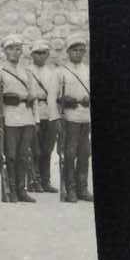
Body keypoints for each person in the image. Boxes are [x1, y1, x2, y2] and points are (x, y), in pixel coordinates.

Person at [0, 34, 41, 203]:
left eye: (18, 49)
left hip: (27, 118)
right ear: (4, 51)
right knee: (10, 155)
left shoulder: (27, 72)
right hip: (8, 118)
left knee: (24, 155)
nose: (15, 52)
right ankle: (10, 190)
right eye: (10, 49)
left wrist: (36, 119)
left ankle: (21, 190)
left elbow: (34, 97)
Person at [57, 33, 92, 203]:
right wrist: (57, 114)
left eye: (81, 50)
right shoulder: (61, 71)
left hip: (86, 117)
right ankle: (70, 189)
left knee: (85, 153)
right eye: (74, 50)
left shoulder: (87, 69)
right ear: (68, 52)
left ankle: (83, 188)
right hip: (69, 118)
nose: (78, 53)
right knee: (69, 154)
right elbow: (54, 97)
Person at [27, 39, 60, 193]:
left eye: (43, 53)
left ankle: (46, 181)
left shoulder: (53, 72)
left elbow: (57, 94)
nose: (40, 56)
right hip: (34, 113)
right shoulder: (27, 71)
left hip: (50, 112)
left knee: (47, 149)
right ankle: (34, 180)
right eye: (37, 53)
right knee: (35, 149)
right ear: (32, 54)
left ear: (47, 54)